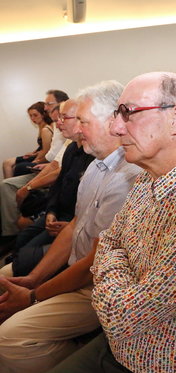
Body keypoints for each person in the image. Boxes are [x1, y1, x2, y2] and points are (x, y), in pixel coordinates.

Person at [46, 72, 176, 373]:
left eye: (129, 113)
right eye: (118, 114)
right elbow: (110, 241)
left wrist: (109, 261)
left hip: (167, 361)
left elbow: (122, 317)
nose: (116, 128)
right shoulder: (148, 176)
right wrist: (116, 263)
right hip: (128, 347)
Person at [0, 80, 140, 373]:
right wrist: (35, 279)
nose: (75, 129)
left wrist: (35, 295)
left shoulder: (129, 176)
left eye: (83, 122)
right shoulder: (95, 165)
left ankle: (87, 356)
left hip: (98, 285)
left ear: (113, 122)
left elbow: (97, 260)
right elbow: (76, 226)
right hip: (76, 271)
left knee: (11, 338)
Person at [3, 99, 95, 277]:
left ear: (80, 121)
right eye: (58, 117)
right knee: (22, 239)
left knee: (26, 254)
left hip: (71, 220)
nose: (57, 123)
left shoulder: (93, 155)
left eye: (63, 118)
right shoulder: (70, 150)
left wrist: (72, 226)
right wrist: (51, 211)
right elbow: (58, 185)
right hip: (58, 214)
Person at [0, 90, 68, 251]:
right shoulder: (59, 130)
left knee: (11, 176)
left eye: (49, 105)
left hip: (55, 177)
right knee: (14, 170)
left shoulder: (57, 133)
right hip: (48, 168)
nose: (46, 108)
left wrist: (29, 186)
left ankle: (12, 230)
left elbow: (56, 165)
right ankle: (12, 223)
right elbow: (54, 161)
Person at [2, 102, 53, 178]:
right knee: (7, 163)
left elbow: (46, 151)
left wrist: (36, 160)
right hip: (39, 155)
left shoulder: (45, 129)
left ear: (43, 114)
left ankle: (9, 185)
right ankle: (8, 185)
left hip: (44, 158)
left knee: (11, 165)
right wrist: (34, 153)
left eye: (35, 115)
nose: (32, 118)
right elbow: (42, 147)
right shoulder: (41, 127)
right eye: (30, 116)